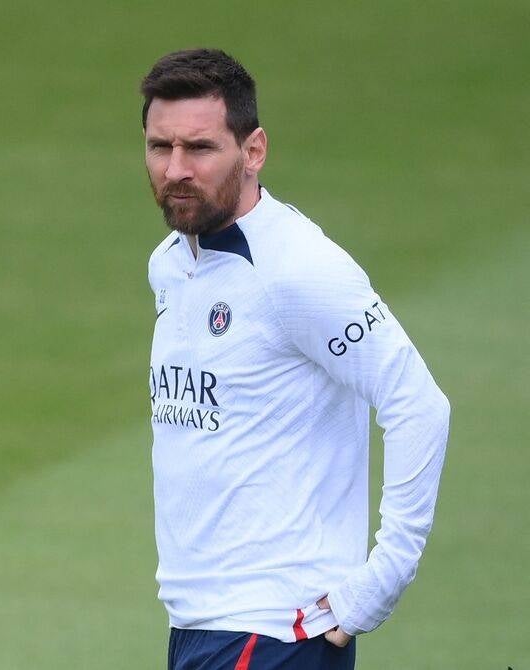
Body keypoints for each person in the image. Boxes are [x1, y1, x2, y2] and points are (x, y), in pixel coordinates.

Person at [142, 49, 450, 669]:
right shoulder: (171, 262)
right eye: (159, 146)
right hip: (198, 623)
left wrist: (379, 581)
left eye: (199, 148)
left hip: (274, 631)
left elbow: (419, 405)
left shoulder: (300, 271)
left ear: (253, 151)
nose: (175, 169)